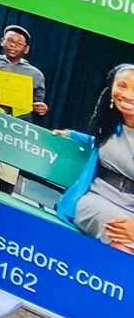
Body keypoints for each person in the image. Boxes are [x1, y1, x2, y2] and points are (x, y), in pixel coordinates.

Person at [57, 63, 134, 251]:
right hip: (98, 199)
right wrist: (72, 135)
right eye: (122, 85)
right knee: (122, 243)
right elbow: (99, 144)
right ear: (112, 89)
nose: (128, 95)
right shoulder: (107, 128)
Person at [0, 24, 50, 190]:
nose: (13, 45)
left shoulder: (35, 74)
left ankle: (2, 204)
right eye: (10, 40)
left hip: (17, 128)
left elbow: (38, 104)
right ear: (2, 42)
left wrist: (41, 109)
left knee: (9, 173)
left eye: (19, 43)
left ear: (26, 49)